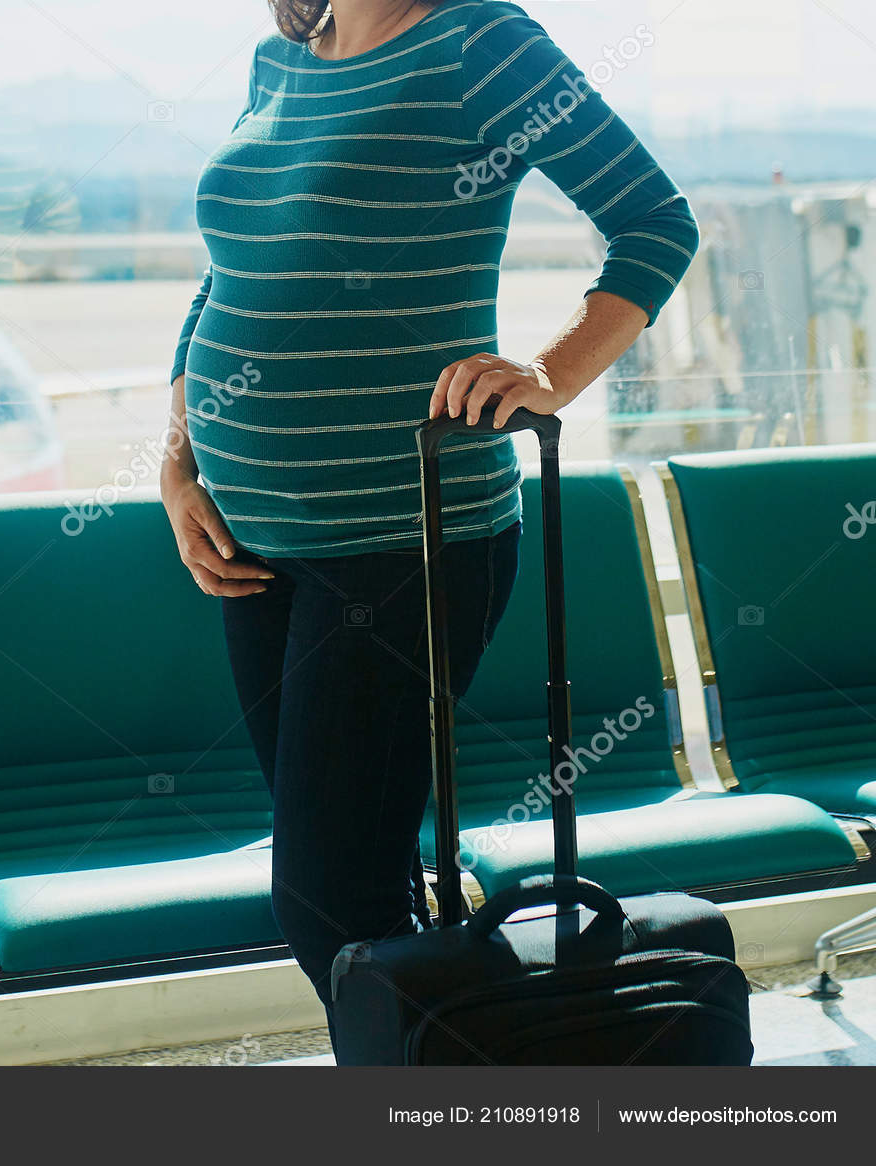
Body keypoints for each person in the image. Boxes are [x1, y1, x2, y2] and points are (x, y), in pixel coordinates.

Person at [160, 0, 697, 1048]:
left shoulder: (478, 42)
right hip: (253, 546)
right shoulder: (282, 60)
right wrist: (179, 464)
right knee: (360, 888)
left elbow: (654, 220)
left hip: (404, 542)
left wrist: (548, 373)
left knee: (323, 896)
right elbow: (222, 280)